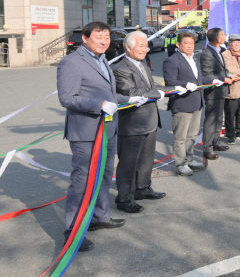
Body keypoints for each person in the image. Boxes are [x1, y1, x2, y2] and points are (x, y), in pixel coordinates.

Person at [57, 22, 141, 252]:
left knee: (104, 174)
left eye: (106, 37)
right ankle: (73, 232)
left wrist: (127, 99)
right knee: (82, 181)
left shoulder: (101, 58)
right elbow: (67, 98)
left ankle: (99, 216)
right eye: (98, 37)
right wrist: (99, 105)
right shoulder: (72, 62)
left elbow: (108, 94)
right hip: (86, 132)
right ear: (84, 38)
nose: (104, 41)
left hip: (107, 128)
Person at [112, 31, 166, 213]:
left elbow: (153, 87)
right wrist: (155, 93)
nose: (145, 49)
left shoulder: (143, 65)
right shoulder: (121, 68)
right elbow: (132, 92)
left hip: (149, 120)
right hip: (132, 123)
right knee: (128, 163)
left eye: (146, 45)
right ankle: (124, 198)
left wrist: (175, 88)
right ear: (128, 48)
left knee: (146, 160)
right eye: (141, 46)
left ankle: (142, 188)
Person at [162, 30, 206, 176]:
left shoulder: (193, 59)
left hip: (196, 102)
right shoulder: (172, 60)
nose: (189, 46)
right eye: (186, 43)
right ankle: (180, 164)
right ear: (179, 45)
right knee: (180, 137)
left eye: (192, 43)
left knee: (192, 135)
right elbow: (170, 81)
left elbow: (199, 79)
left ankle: (189, 158)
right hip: (182, 103)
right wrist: (185, 84)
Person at [200, 27, 232, 160]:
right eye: (223, 34)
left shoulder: (220, 50)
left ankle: (215, 141)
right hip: (213, 92)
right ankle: (207, 148)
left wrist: (228, 75)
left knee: (219, 118)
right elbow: (207, 74)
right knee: (211, 120)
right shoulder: (207, 53)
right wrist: (223, 78)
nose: (225, 36)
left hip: (221, 90)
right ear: (217, 38)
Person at [222, 34, 240, 143]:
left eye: (239, 42)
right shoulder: (226, 54)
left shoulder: (239, 54)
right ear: (229, 44)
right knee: (230, 113)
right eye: (235, 42)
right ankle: (230, 135)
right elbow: (230, 68)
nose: (237, 44)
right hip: (233, 89)